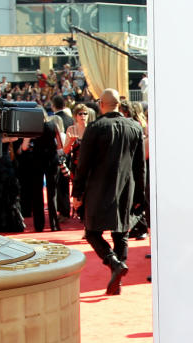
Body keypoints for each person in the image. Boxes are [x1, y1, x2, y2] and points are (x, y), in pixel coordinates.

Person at [71, 88, 145, 295]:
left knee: (92, 232)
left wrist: (77, 193)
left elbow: (83, 165)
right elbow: (140, 166)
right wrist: (140, 194)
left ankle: (114, 263)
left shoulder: (96, 127)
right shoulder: (135, 128)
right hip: (126, 187)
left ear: (101, 104)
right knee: (121, 233)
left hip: (99, 188)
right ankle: (118, 278)